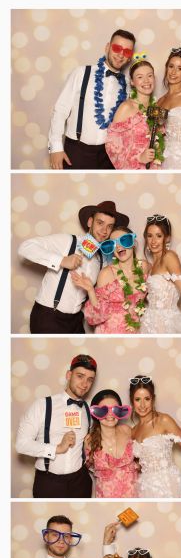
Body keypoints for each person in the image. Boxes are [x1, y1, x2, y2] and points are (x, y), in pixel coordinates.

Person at [18, 200, 129, 334]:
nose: (104, 231)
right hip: (49, 317)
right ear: (90, 222)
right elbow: (25, 247)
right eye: (100, 223)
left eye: (109, 226)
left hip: (76, 321)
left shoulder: (103, 259)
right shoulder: (68, 241)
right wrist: (62, 260)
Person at [48, 29, 136, 170]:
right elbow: (61, 109)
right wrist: (56, 147)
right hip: (77, 152)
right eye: (117, 48)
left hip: (109, 157)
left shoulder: (127, 84)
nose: (121, 54)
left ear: (130, 57)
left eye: (127, 52)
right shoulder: (82, 73)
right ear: (107, 47)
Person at [15, 354, 97, 498]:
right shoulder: (42, 405)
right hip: (49, 483)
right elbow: (21, 444)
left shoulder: (87, 409)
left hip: (80, 482)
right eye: (80, 376)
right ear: (68, 375)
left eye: (90, 379)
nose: (85, 384)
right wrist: (57, 448)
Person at [72, 227, 149, 333]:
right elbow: (96, 317)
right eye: (113, 244)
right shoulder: (106, 274)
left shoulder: (143, 266)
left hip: (134, 331)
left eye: (124, 240)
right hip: (110, 332)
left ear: (133, 242)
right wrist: (90, 290)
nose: (118, 246)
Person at [130, 376, 181, 498]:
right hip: (145, 488)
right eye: (137, 399)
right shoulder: (133, 431)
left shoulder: (164, 420)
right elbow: (140, 462)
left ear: (153, 399)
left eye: (147, 399)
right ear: (132, 401)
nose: (142, 405)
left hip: (168, 484)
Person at [105, 54, 163, 169]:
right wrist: (138, 158)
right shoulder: (126, 107)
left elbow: (160, 140)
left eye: (150, 75)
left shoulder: (156, 107)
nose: (146, 81)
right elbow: (112, 147)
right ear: (132, 82)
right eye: (140, 77)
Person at [85, 389, 138, 498]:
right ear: (95, 413)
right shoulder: (89, 440)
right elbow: (85, 469)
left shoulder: (127, 430)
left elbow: (142, 458)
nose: (110, 414)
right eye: (103, 410)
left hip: (133, 499)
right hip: (106, 502)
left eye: (115, 410)